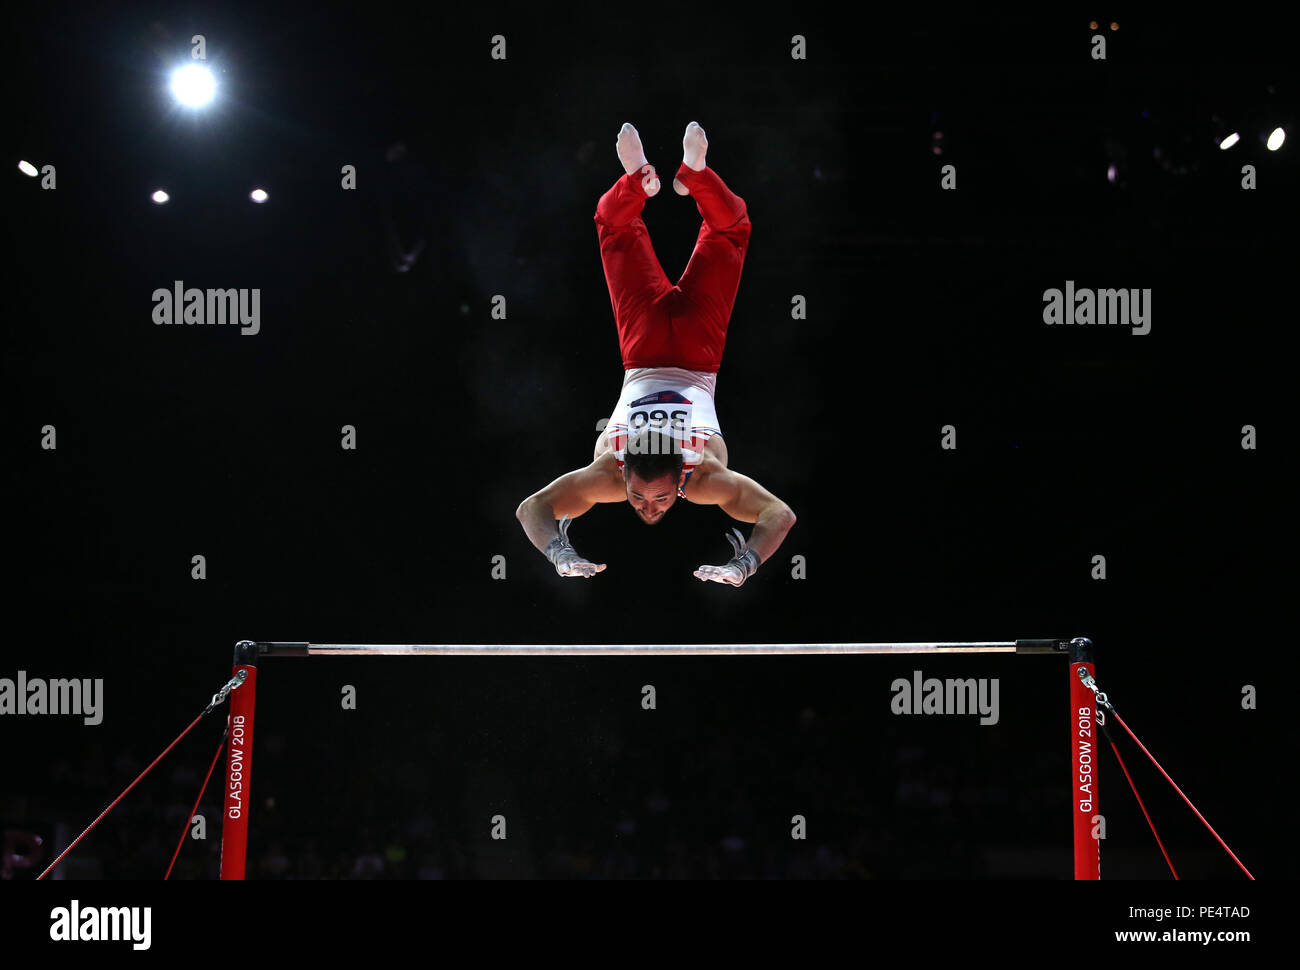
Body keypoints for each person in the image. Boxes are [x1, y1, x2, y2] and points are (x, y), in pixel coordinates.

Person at [516, 122, 795, 587]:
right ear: (683, 471)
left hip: (644, 349)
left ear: (623, 471)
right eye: (656, 500)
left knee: (621, 230)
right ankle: (693, 174)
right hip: (697, 349)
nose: (648, 506)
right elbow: (779, 514)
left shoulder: (609, 473)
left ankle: (639, 179)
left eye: (647, 499)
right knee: (724, 231)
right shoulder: (703, 477)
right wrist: (743, 565)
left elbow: (532, 509)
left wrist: (558, 553)